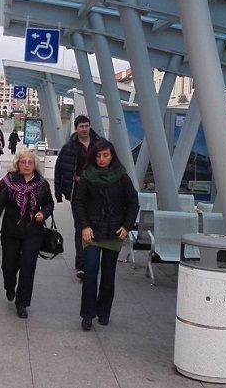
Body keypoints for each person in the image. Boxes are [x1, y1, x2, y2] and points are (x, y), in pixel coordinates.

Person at [72, 140, 139, 331]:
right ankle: (87, 315)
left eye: (106, 155)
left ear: (112, 156)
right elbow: (78, 202)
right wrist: (84, 225)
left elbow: (133, 203)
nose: (102, 159)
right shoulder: (87, 176)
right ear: (94, 157)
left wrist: (127, 226)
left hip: (114, 232)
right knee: (91, 270)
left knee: (109, 274)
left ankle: (104, 312)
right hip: (91, 231)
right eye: (98, 155)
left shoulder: (121, 177)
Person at [0, 149, 55, 318]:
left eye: (30, 162)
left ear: (35, 165)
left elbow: (49, 204)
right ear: (17, 164)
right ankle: (10, 285)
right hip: (11, 231)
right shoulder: (7, 182)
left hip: (33, 232)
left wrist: (43, 214)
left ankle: (22, 303)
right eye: (23, 162)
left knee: (27, 267)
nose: (26, 165)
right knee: (9, 265)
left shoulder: (41, 184)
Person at [54, 114, 103, 279]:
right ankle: (81, 265)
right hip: (78, 193)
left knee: (94, 226)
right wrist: (59, 193)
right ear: (76, 128)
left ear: (90, 127)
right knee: (81, 227)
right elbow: (59, 169)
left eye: (86, 126)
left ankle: (92, 261)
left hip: (98, 193)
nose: (84, 129)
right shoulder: (69, 147)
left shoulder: (100, 144)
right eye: (81, 126)